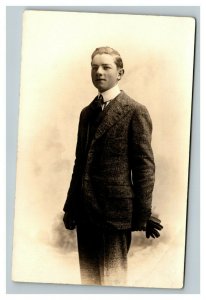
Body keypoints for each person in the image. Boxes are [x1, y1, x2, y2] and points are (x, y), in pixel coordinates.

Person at [63, 46, 163, 286]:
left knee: (112, 282)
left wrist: (142, 215)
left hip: (115, 214)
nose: (99, 72)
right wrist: (71, 207)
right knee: (89, 280)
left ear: (120, 73)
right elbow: (80, 164)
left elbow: (144, 168)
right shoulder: (86, 113)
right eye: (94, 67)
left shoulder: (134, 111)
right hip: (86, 212)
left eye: (106, 67)